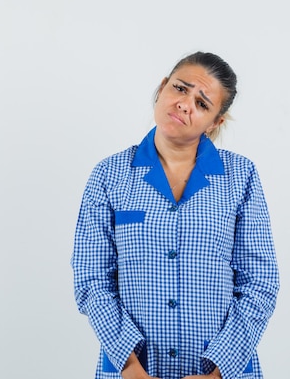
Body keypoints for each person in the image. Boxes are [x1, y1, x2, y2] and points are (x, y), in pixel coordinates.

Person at [71, 51, 279, 379]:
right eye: (181, 89)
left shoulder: (241, 176)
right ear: (162, 87)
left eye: (202, 103)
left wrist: (219, 371)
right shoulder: (109, 175)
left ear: (215, 123)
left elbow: (260, 281)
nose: (185, 104)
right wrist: (129, 366)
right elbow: (92, 278)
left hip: (221, 372)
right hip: (131, 371)